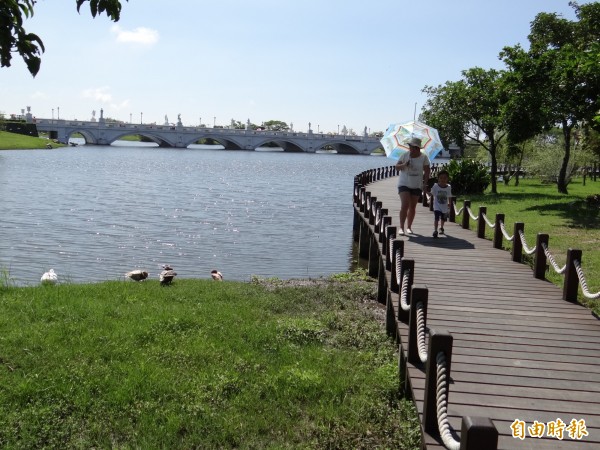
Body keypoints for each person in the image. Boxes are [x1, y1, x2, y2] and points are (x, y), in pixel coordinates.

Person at [395, 136, 431, 235]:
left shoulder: (423, 157)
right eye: (410, 147)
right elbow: (396, 167)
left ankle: (409, 227)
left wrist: (425, 183)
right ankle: (401, 227)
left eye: (412, 147)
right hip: (404, 183)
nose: (410, 149)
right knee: (405, 205)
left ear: (417, 148)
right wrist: (404, 165)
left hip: (416, 184)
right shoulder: (404, 155)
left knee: (412, 207)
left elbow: (427, 171)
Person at [431, 169, 452, 238]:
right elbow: (432, 193)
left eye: (445, 178)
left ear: (447, 179)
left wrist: (450, 203)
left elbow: (449, 196)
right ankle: (435, 230)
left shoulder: (448, 187)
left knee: (443, 219)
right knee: (436, 218)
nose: (443, 180)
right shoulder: (435, 186)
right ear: (438, 178)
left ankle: (441, 227)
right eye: (441, 178)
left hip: (444, 206)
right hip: (437, 205)